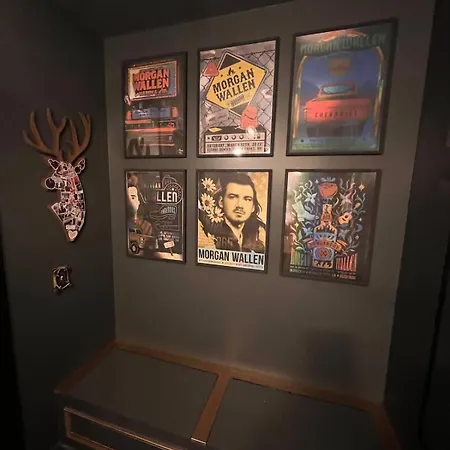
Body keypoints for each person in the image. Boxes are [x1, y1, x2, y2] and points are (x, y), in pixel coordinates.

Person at [199, 172, 265, 253]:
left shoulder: (255, 242)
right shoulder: (210, 236)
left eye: (247, 199)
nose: (240, 205)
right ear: (221, 202)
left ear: (253, 207)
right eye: (233, 197)